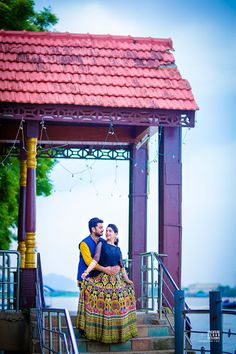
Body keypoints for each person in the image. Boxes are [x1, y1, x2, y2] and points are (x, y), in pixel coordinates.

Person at [77, 223, 138, 343]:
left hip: (116, 280)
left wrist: (127, 279)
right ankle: (100, 332)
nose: (107, 233)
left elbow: (122, 266)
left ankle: (120, 333)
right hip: (103, 280)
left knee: (120, 303)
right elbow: (95, 260)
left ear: (116, 234)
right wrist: (86, 271)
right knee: (104, 307)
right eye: (106, 231)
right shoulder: (102, 245)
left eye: (110, 231)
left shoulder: (118, 249)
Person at [77, 217, 120, 288]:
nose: (103, 230)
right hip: (85, 279)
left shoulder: (103, 242)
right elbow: (89, 262)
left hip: (98, 279)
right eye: (100, 227)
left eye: (103, 227)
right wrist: (105, 269)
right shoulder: (84, 244)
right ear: (93, 229)